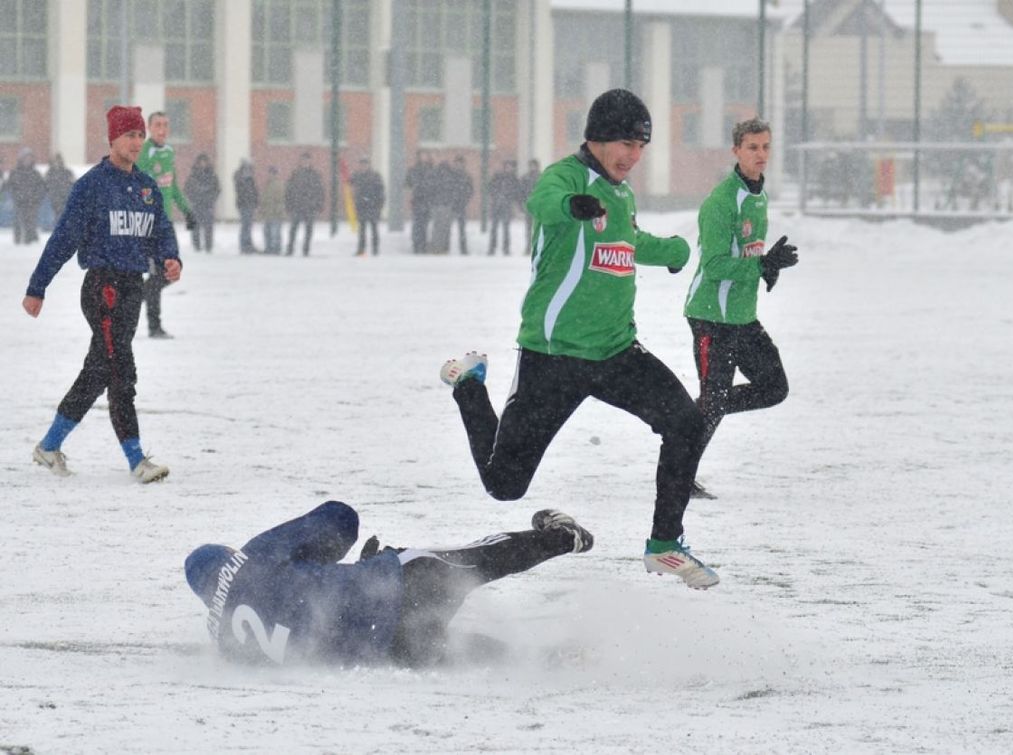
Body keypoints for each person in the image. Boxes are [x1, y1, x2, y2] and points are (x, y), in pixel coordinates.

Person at [440, 88, 716, 590]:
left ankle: (664, 545)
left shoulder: (622, 193)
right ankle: (468, 385)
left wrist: (672, 249)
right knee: (505, 485)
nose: (632, 157)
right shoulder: (564, 178)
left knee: (687, 425)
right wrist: (574, 204)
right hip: (554, 357)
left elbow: (627, 242)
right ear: (597, 138)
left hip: (615, 352)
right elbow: (542, 203)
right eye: (625, 145)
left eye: (641, 148)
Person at [184, 500, 593, 667]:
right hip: (396, 587)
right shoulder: (249, 560)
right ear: (226, 557)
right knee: (478, 559)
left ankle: (549, 662)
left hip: (389, 651)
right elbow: (339, 520)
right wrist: (338, 563)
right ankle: (562, 537)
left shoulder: (225, 640)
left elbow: (300, 617)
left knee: (461, 650)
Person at [21, 105, 180, 484]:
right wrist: (36, 286)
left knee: (99, 371)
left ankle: (49, 445)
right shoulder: (92, 186)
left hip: (131, 288)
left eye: (141, 135)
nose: (138, 142)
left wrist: (171, 258)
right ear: (113, 139)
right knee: (121, 370)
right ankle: (137, 459)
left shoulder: (146, 187)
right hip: (102, 288)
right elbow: (63, 239)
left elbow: (161, 231)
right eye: (131, 135)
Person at [683, 118, 800, 500]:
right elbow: (715, 264)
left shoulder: (759, 195)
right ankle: (680, 471)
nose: (761, 154)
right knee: (713, 400)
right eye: (752, 147)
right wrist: (759, 266)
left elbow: (747, 254)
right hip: (711, 317)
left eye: (766, 147)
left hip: (741, 317)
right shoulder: (721, 202)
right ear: (736, 151)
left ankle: (696, 413)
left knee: (774, 387)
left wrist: (768, 267)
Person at [139, 111, 194, 339]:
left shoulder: (169, 152)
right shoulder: (144, 152)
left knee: (171, 272)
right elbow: (136, 185)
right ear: (150, 128)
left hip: (166, 223)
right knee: (157, 273)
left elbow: (174, 187)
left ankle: (132, 297)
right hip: (150, 224)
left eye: (166, 125)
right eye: (158, 125)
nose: (162, 129)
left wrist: (187, 211)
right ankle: (154, 326)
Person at [285, 152, 323, 256]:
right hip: (297, 206)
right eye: (303, 160)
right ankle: (290, 249)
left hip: (309, 207)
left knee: (308, 230)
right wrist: (289, 205)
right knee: (293, 229)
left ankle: (306, 250)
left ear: (310, 161)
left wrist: (318, 205)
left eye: (307, 160)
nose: (305, 162)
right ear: (300, 161)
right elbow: (289, 190)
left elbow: (319, 191)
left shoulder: (314, 175)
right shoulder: (295, 174)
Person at [184, 153, 221, 253]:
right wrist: (194, 199)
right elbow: (187, 189)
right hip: (196, 205)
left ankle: (209, 246)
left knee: (209, 227)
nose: (203, 164)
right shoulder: (193, 175)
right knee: (194, 227)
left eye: (204, 161)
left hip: (208, 205)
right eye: (201, 162)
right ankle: (196, 246)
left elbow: (217, 190)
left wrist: (211, 199)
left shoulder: (212, 175)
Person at [349, 157, 385, 256]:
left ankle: (375, 249)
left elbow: (380, 192)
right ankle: (361, 249)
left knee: (374, 229)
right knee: (362, 230)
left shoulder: (375, 176)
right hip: (361, 206)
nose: (363, 167)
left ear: (368, 165)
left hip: (373, 206)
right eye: (361, 164)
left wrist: (379, 205)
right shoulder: (357, 175)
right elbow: (350, 182)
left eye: (365, 164)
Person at [487, 160, 521, 255]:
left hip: (506, 205)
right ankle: (492, 248)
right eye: (507, 166)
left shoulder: (513, 179)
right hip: (497, 205)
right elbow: (490, 187)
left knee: (505, 228)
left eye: (510, 166)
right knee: (494, 228)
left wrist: (515, 202)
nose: (509, 168)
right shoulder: (498, 176)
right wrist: (496, 196)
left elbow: (517, 193)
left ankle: (505, 248)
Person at [405, 150, 435, 255]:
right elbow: (407, 184)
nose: (424, 158)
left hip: (427, 201)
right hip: (417, 201)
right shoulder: (414, 170)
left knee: (424, 225)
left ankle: (423, 245)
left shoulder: (431, 170)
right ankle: (416, 245)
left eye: (425, 156)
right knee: (417, 224)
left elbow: (435, 185)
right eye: (421, 156)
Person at [444, 155, 473, 255]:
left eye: (460, 163)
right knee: (447, 228)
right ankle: (445, 247)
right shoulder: (450, 175)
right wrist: (449, 199)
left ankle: (463, 249)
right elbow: (446, 189)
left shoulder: (466, 176)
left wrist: (464, 200)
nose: (458, 165)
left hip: (461, 205)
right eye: (457, 163)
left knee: (462, 229)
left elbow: (470, 190)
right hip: (451, 205)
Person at [233, 159, 259, 254]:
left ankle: (248, 244)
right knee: (245, 225)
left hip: (250, 205)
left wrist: (256, 202)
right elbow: (243, 191)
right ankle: (244, 245)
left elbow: (254, 191)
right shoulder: (240, 177)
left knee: (249, 225)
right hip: (244, 205)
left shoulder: (250, 178)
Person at [44, 153, 75, 230]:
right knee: (56, 216)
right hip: (53, 199)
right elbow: (45, 185)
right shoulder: (49, 173)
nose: (57, 163)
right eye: (55, 161)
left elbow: (73, 183)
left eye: (58, 161)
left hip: (65, 198)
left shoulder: (67, 172)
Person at [261, 166, 285, 255]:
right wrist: (262, 210)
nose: (269, 175)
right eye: (269, 173)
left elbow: (281, 199)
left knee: (275, 232)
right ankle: (268, 247)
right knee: (267, 232)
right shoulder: (267, 184)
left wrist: (278, 210)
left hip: (276, 213)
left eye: (271, 173)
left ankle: (276, 248)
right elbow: (264, 198)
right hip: (268, 213)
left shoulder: (279, 185)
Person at [519, 158, 542, 252]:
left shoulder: (542, 177)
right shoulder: (525, 178)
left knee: (538, 229)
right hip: (530, 206)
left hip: (539, 207)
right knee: (528, 228)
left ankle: (538, 247)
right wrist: (522, 203)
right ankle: (528, 247)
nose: (532, 167)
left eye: (534, 165)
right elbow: (521, 192)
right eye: (531, 165)